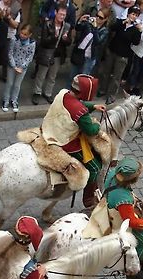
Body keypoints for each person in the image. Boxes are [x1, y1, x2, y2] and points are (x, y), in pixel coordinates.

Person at [41, 74, 107, 208]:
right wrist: (98, 126)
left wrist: (93, 106)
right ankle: (89, 199)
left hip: (49, 128)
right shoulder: (80, 112)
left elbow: (78, 102)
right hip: (65, 141)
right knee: (95, 168)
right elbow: (91, 130)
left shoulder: (63, 93)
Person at [104, 157, 143, 279]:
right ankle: (134, 270)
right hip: (117, 219)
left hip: (107, 201)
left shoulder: (112, 173)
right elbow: (131, 222)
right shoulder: (124, 199)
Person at [98, 6, 142, 105]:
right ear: (128, 14)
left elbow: (136, 42)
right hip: (112, 51)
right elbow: (112, 27)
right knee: (106, 72)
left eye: (136, 15)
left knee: (116, 77)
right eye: (132, 14)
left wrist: (140, 31)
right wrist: (123, 22)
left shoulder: (135, 29)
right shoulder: (121, 23)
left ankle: (111, 95)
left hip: (123, 56)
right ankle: (102, 90)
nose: (133, 16)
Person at [32, 4, 72, 105]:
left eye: (64, 15)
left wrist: (66, 39)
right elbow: (44, 41)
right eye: (60, 14)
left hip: (58, 53)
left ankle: (48, 93)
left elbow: (69, 42)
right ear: (55, 13)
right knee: (41, 74)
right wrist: (54, 36)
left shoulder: (66, 26)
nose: (62, 17)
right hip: (47, 52)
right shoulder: (48, 24)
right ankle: (37, 92)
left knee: (52, 76)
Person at [2, 23, 36, 113]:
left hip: (22, 68)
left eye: (25, 34)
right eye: (22, 33)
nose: (22, 36)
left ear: (30, 35)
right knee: (9, 83)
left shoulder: (32, 43)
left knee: (17, 85)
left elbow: (30, 56)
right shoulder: (14, 39)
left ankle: (14, 100)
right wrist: (14, 65)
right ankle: (6, 100)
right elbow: (10, 53)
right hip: (12, 65)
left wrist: (22, 66)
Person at [0, 0, 22, 81]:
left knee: (7, 56)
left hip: (9, 35)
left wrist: (9, 17)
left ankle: (5, 75)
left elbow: (16, 25)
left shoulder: (16, 7)